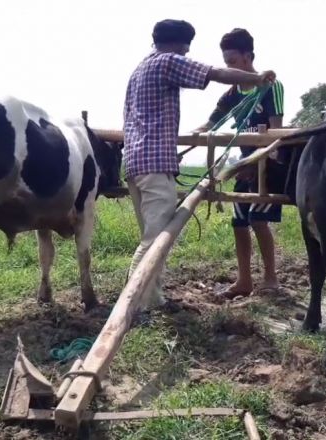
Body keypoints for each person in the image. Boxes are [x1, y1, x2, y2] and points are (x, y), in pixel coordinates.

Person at [123, 19, 276, 310]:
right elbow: (214, 73)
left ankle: (152, 300)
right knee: (154, 242)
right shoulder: (168, 62)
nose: (186, 53)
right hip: (154, 166)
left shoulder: (140, 68)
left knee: (152, 238)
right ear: (181, 45)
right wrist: (257, 79)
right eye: (187, 48)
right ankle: (133, 305)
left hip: (136, 162)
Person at [195, 28, 285, 299]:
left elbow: (275, 132)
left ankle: (271, 279)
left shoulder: (271, 87)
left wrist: (257, 163)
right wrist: (190, 137)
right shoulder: (231, 94)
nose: (229, 67)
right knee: (239, 223)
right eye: (226, 62)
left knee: (258, 219)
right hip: (244, 167)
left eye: (233, 62)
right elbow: (210, 123)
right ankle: (244, 280)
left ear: (248, 57)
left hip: (267, 166)